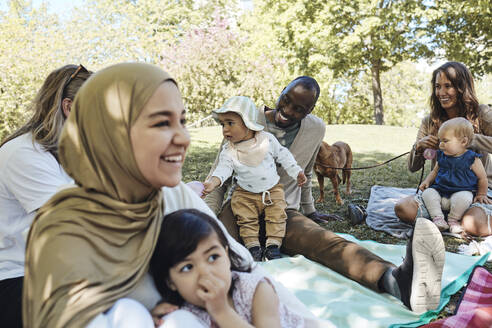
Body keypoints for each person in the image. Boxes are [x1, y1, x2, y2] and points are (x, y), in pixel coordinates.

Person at [22, 63, 318, 328]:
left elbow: (245, 268)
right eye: (162, 123)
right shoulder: (63, 228)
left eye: (182, 121)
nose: (183, 138)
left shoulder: (171, 194)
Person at [205, 76, 446, 314]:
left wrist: (310, 211)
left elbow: (306, 171)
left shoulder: (315, 128)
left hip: (282, 208)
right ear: (281, 92)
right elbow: (219, 176)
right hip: (240, 206)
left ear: (310, 110)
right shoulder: (245, 117)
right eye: (285, 100)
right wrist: (202, 215)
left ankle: (397, 283)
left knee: (326, 242)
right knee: (211, 245)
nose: (287, 111)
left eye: (299, 109)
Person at [0, 64, 92, 328]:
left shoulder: (66, 155)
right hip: (20, 280)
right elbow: (75, 218)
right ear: (70, 107)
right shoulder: (23, 153)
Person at [149, 209, 304, 327]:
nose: (205, 272)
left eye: (213, 257)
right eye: (187, 267)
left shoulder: (256, 290)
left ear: (227, 254)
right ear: (171, 282)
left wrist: (221, 311)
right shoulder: (183, 312)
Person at [202, 96, 307, 261]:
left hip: (271, 191)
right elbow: (223, 169)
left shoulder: (267, 140)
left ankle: (273, 246)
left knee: (277, 215)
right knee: (245, 220)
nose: (225, 130)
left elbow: (284, 155)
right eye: (222, 124)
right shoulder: (229, 150)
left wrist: (297, 172)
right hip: (245, 194)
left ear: (248, 122)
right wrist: (213, 182)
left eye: (230, 123)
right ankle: (253, 247)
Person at [395, 62, 492, 237]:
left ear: (462, 88)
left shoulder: (481, 113)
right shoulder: (430, 121)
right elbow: (412, 167)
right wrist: (419, 147)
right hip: (441, 189)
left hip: (477, 189)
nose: (441, 93)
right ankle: (445, 218)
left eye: (448, 86)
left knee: (473, 225)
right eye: (438, 87)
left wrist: (469, 140)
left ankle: (460, 217)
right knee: (403, 208)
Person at [419, 117, 491, 233]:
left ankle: (453, 220)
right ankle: (438, 218)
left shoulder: (472, 158)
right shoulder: (442, 155)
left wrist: (482, 194)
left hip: (461, 192)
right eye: (440, 141)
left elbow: (482, 178)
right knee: (428, 193)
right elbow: (435, 171)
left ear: (463, 142)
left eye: (445, 141)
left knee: (464, 198)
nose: (441, 145)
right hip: (440, 191)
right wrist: (427, 181)